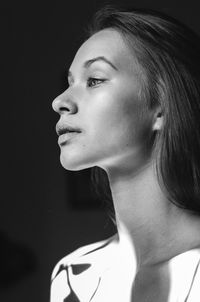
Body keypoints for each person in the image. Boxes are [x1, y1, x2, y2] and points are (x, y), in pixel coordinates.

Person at [50, 5, 200, 302]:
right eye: (69, 83)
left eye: (94, 80)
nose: (59, 101)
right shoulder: (72, 277)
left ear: (160, 107)